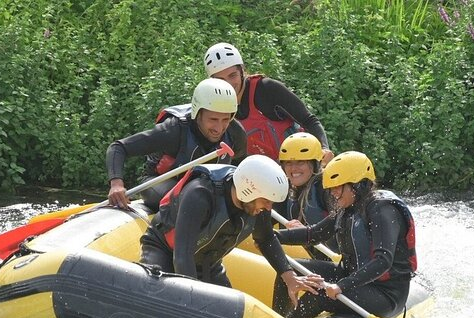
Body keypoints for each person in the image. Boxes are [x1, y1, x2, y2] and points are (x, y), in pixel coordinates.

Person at [139, 154, 321, 303]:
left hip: (207, 263)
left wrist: (290, 278)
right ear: (249, 190)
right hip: (164, 251)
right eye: (266, 201)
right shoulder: (200, 194)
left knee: (228, 311)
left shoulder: (258, 203)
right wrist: (191, 301)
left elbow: (265, 239)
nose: (268, 207)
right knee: (159, 298)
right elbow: (182, 255)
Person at [272, 151, 417, 318]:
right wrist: (272, 237)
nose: (333, 193)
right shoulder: (348, 209)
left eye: (338, 187)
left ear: (357, 185)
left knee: (320, 295)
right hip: (351, 276)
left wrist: (341, 286)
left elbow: (383, 261)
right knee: (289, 269)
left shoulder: (382, 210)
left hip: (385, 293)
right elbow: (313, 234)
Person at [106, 78, 248, 211]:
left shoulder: (235, 133)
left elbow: (242, 169)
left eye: (225, 119)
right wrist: (116, 184)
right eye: (213, 119)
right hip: (158, 182)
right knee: (192, 197)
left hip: (204, 188)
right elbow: (118, 148)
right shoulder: (173, 130)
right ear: (197, 114)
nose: (219, 128)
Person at [203, 42, 334, 164]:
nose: (229, 84)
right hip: (264, 176)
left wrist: (324, 148)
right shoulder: (215, 107)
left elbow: (309, 120)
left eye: (233, 75)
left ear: (242, 70)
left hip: (300, 165)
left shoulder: (267, 89)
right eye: (221, 79)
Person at [274, 132, 338, 261]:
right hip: (307, 256)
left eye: (300, 162)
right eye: (288, 163)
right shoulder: (286, 189)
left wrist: (306, 232)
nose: (294, 169)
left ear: (315, 164)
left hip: (332, 260)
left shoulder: (326, 188)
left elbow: (340, 226)